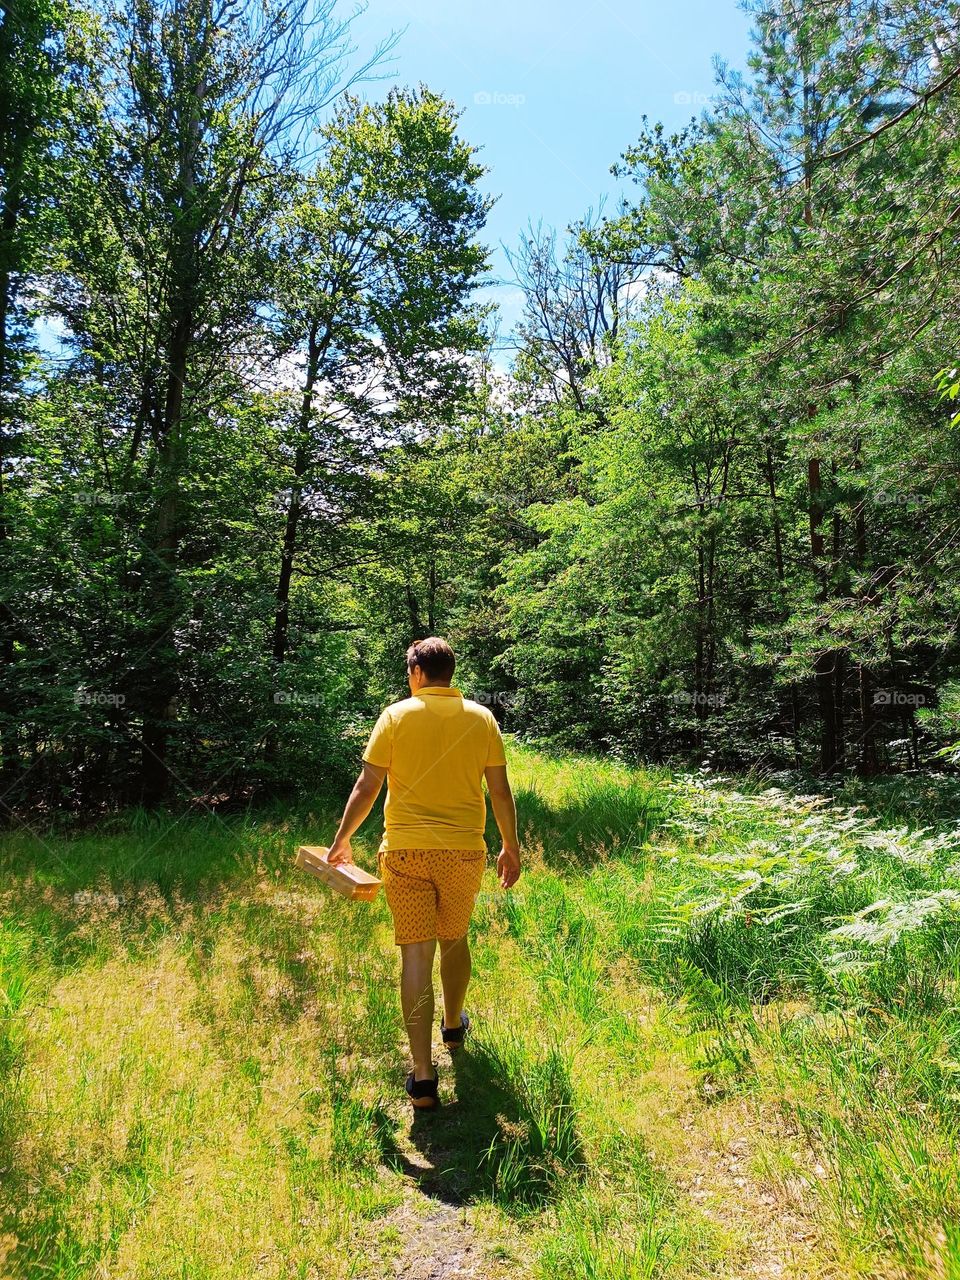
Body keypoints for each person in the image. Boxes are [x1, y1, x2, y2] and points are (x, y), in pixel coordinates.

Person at [326, 636, 522, 1109]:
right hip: (462, 854)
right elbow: (499, 791)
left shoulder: (395, 716)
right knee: (455, 940)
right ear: (449, 674)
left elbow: (368, 784)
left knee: (416, 957)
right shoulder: (482, 718)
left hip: (406, 854)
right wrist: (511, 846)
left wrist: (342, 839)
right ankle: (453, 1027)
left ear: (416, 672)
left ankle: (423, 1077)